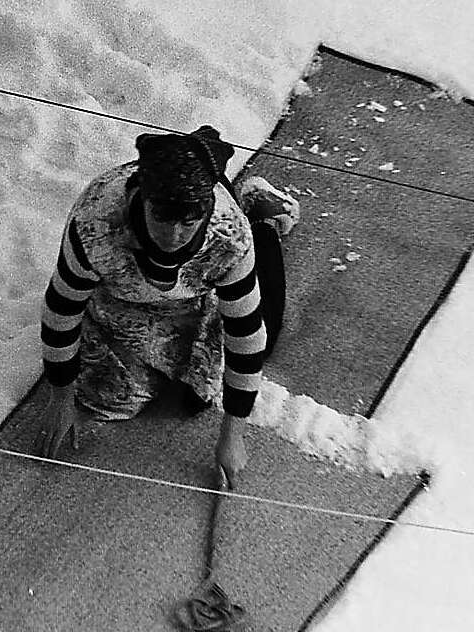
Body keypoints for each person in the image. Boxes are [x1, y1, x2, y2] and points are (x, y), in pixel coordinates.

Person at [34, 124, 298, 481]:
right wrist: (59, 399)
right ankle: (195, 148)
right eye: (161, 219)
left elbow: (246, 337)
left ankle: (262, 214)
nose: (173, 237)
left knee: (234, 363)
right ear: (142, 200)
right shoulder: (95, 223)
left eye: (189, 223)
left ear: (206, 212)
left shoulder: (229, 237)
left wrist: (233, 434)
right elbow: (61, 312)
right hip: (121, 296)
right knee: (107, 397)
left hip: (193, 297)